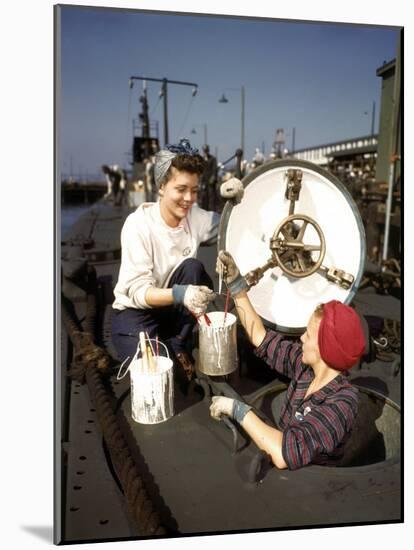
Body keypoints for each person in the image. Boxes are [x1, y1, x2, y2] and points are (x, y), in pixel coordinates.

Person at [210, 250, 366, 470]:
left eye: (308, 335)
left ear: (326, 350)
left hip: (311, 491)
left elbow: (287, 453)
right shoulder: (306, 368)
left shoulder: (342, 403)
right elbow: (260, 338)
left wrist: (238, 410)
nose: (301, 338)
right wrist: (236, 287)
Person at [111, 138, 220, 381]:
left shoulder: (196, 216)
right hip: (135, 313)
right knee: (158, 374)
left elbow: (231, 224)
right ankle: (164, 345)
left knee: (193, 267)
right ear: (161, 186)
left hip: (169, 310)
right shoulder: (138, 225)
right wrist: (182, 294)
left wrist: (235, 198)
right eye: (181, 189)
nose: (189, 198)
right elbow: (139, 292)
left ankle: (177, 341)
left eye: (194, 190)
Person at [200, 145, 218, 211]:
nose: (205, 152)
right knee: (204, 197)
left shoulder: (213, 159)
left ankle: (212, 211)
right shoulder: (201, 160)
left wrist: (213, 178)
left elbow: (214, 170)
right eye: (204, 151)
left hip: (211, 183)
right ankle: (204, 211)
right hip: (204, 182)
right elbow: (201, 171)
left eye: (206, 151)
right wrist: (201, 182)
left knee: (211, 198)